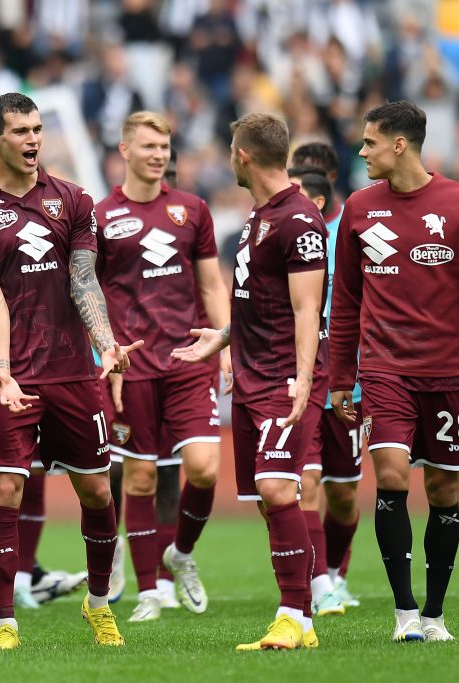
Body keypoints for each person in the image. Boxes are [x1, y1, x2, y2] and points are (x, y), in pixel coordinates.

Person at [0, 92, 140, 651]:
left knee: (97, 493)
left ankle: (100, 603)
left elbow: (84, 281)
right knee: (6, 489)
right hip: (9, 378)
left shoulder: (75, 200)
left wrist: (105, 345)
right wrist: (4, 372)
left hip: (74, 374)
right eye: (20, 131)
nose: (33, 139)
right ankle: (5, 623)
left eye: (37, 129)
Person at [328, 101, 459, 642]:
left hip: (450, 374)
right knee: (389, 475)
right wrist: (342, 378)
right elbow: (345, 305)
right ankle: (404, 612)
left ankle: (434, 614)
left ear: (399, 144)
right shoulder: (359, 210)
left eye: (369, 142)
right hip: (384, 371)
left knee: (443, 490)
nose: (361, 152)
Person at [173, 112, 327, 651]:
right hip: (252, 375)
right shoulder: (259, 218)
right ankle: (303, 622)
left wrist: (304, 378)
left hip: (285, 376)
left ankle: (290, 613)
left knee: (277, 487)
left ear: (242, 156)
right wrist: (225, 337)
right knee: (268, 499)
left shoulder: (300, 221)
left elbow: (307, 309)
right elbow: (261, 304)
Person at [95, 111, 230, 622]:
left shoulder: (192, 210)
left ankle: (183, 555)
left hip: (189, 359)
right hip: (133, 368)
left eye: (165, 146)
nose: (159, 154)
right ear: (124, 150)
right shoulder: (101, 216)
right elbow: (92, 294)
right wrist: (107, 355)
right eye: (149, 145)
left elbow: (213, 285)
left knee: (203, 467)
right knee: (141, 479)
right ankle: (150, 590)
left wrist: (225, 343)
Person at [289, 143, 362, 610]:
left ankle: (335, 572)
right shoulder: (285, 232)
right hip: (304, 376)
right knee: (308, 482)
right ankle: (320, 584)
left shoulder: (353, 231)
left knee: (345, 493)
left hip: (349, 377)